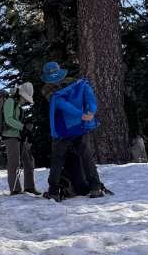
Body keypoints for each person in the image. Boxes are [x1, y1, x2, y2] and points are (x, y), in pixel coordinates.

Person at [41, 60, 112, 201]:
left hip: (62, 130)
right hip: (79, 126)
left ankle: (53, 191)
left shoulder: (47, 89)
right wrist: (90, 112)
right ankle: (95, 187)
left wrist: (81, 114)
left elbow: (61, 104)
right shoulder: (75, 82)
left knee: (57, 160)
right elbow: (89, 95)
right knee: (87, 157)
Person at [2, 81, 38, 196]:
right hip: (10, 136)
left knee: (29, 160)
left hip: (18, 136)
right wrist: (22, 127)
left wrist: (26, 128)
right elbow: (8, 119)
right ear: (20, 94)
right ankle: (15, 190)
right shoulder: (10, 101)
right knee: (14, 163)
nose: (26, 101)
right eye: (25, 98)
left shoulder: (17, 105)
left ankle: (29, 187)